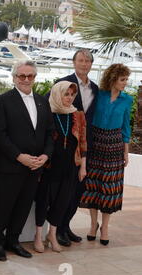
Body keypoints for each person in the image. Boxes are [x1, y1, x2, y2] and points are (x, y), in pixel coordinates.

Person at [0, 60, 55, 262]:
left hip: (35, 166)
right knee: (2, 206)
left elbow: (49, 133)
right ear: (14, 78)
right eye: (22, 76)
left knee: (23, 206)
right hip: (10, 165)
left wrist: (45, 156)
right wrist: (20, 157)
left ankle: (13, 240)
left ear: (35, 78)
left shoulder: (42, 101)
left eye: (31, 76)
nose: (26, 80)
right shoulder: (3, 101)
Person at [80, 64, 133, 246]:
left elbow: (126, 126)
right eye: (122, 79)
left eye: (126, 79)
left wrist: (126, 152)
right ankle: (93, 224)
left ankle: (105, 227)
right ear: (113, 79)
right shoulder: (98, 95)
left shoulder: (127, 100)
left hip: (114, 145)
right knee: (93, 185)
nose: (125, 83)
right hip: (96, 142)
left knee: (109, 187)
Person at [52, 49, 99, 247]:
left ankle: (66, 226)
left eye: (88, 61)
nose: (84, 64)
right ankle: (57, 228)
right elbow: (51, 107)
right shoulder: (63, 83)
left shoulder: (95, 88)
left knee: (78, 190)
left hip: (86, 145)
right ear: (74, 62)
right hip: (65, 145)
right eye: (80, 60)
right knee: (63, 190)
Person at [34, 82, 87, 253]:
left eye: (72, 94)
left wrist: (83, 166)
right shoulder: (46, 112)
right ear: (58, 94)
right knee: (44, 199)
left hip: (71, 165)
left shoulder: (77, 115)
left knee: (62, 200)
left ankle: (52, 234)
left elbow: (83, 143)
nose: (69, 97)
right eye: (66, 94)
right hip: (50, 164)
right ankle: (38, 235)